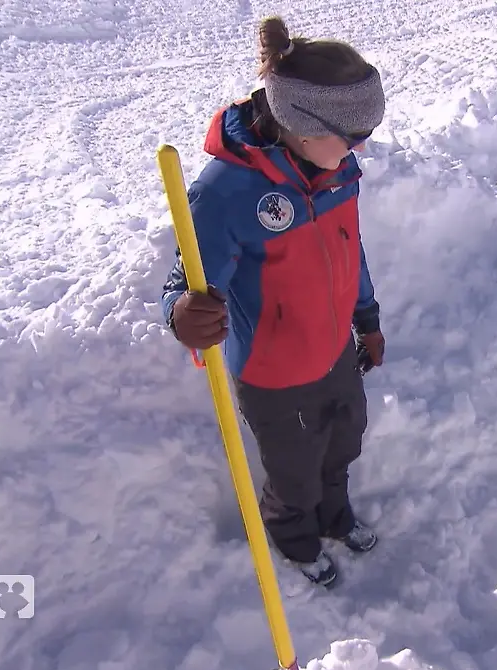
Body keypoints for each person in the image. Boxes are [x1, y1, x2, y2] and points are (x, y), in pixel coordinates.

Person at [159, 15, 387, 588]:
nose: (362, 147)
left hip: (335, 351)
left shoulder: (338, 171)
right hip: (273, 371)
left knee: (344, 442)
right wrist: (182, 313)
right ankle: (295, 539)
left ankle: (335, 518)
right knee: (293, 474)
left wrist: (367, 318)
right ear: (301, 125)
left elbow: (349, 249)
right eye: (352, 136)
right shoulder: (225, 192)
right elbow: (185, 283)